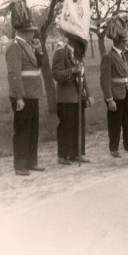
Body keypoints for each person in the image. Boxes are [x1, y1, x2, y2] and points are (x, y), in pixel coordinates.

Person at [4, 0, 45, 176]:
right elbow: (14, 73)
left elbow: (38, 66)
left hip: (32, 93)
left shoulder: (28, 46)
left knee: (33, 129)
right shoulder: (14, 46)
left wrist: (38, 50)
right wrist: (18, 96)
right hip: (22, 95)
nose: (32, 34)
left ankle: (31, 162)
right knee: (22, 130)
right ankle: (20, 165)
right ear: (23, 31)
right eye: (30, 31)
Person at [100, 16, 128, 158]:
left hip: (125, 93)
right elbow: (104, 80)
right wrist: (109, 99)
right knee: (115, 123)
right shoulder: (108, 57)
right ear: (118, 42)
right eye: (124, 42)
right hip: (115, 95)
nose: (126, 44)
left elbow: (125, 77)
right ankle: (114, 148)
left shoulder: (122, 55)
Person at [52, 34, 94, 165]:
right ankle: (63, 155)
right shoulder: (61, 53)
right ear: (72, 39)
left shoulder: (79, 54)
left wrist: (89, 94)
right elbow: (56, 74)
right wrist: (72, 70)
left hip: (79, 96)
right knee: (66, 126)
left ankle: (77, 153)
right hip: (66, 97)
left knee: (78, 125)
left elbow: (83, 76)